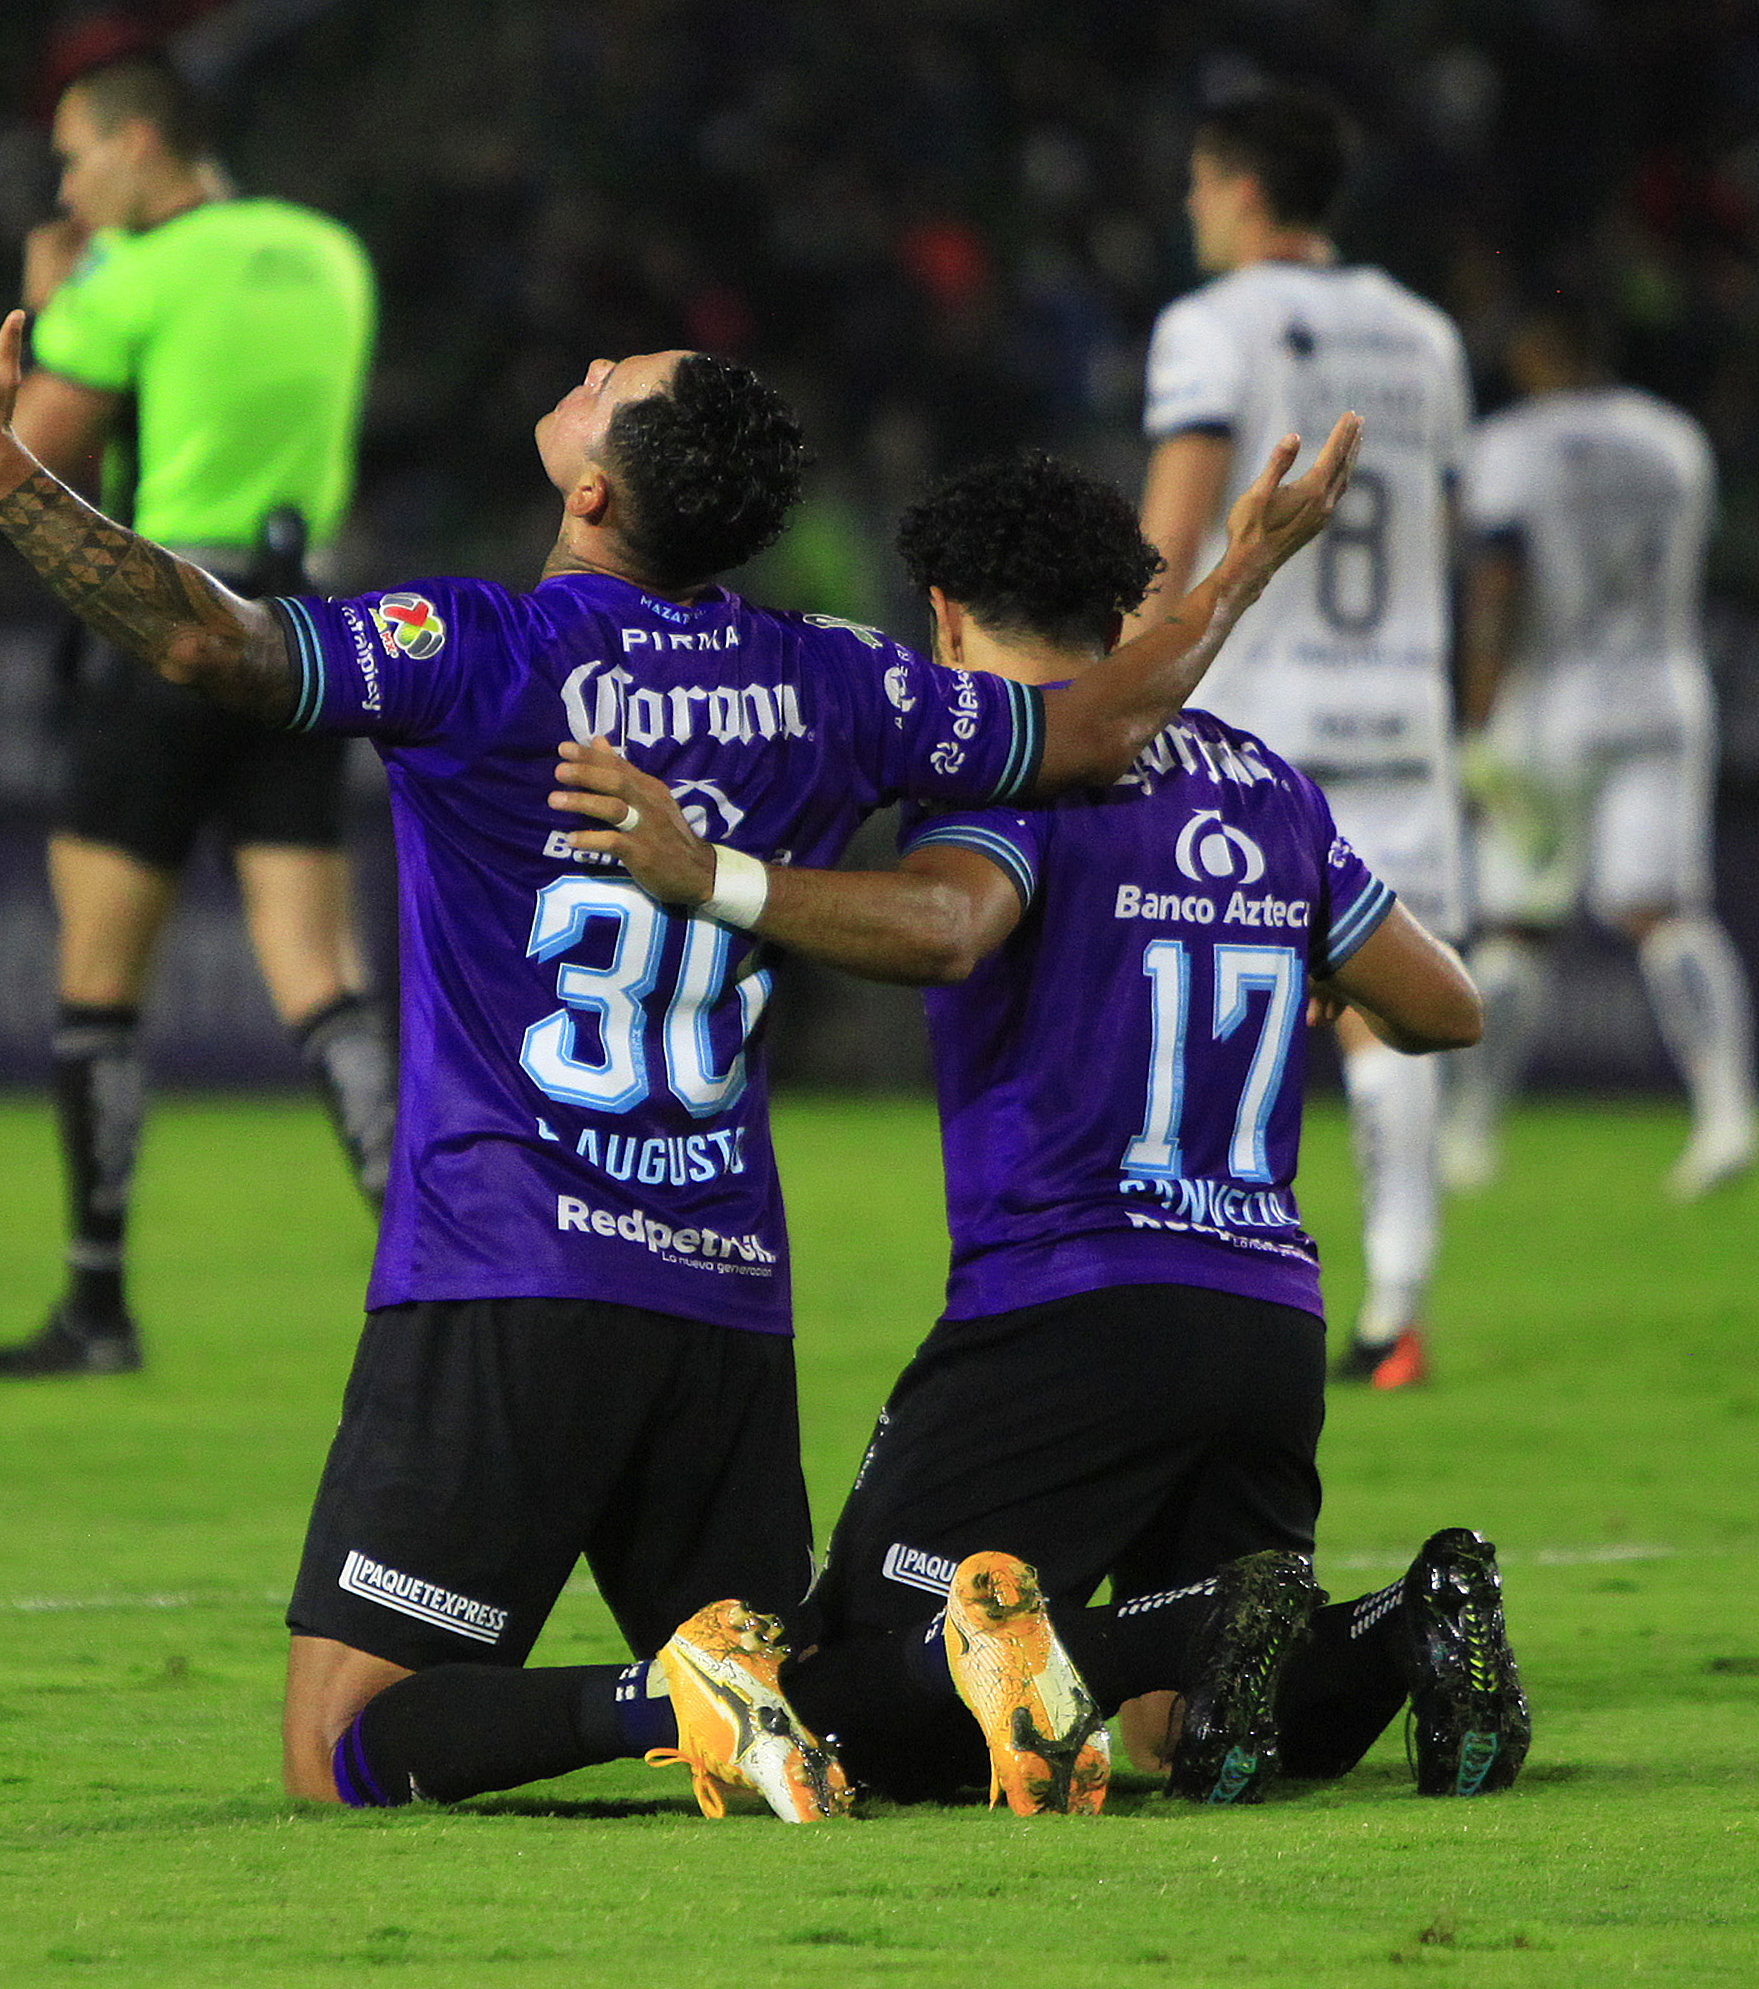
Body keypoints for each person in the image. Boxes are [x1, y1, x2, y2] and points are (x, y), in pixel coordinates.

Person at [0, 269, 1355, 1818]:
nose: (586, 357)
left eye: (611, 370)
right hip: (723, 1298)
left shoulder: (475, 649)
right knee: (810, 1691)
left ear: (591, 484)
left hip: (511, 1265)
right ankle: (1117, 1639)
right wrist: (1233, 574)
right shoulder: (841, 679)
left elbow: (209, 645)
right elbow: (1096, 727)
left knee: (339, 1742)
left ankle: (656, 1694)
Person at [557, 449, 1530, 1813]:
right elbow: (1448, 1007)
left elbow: (953, 928)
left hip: (1071, 1306)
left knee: (858, 1675)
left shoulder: (1003, 765)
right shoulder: (1260, 783)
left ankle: (1213, 1629)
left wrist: (709, 873)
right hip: (1265, 1315)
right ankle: (1406, 1622)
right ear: (1126, 604)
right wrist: (1302, 956)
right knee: (1174, 1727)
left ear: (942, 614)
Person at [0, 47, 393, 1381]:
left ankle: (97, 1305)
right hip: (306, 635)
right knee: (321, 977)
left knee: (100, 982)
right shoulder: (333, 256)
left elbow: (32, 467)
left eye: (76, 154)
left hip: (163, 629)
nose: (67, 183)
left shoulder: (127, 276)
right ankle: (448, 1268)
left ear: (141, 144)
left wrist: (54, 307)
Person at [1136, 83, 1474, 1391]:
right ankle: (1394, 1310)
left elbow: (1169, 537)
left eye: (1197, 182)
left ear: (1238, 187)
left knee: (1212, 998)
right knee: (1385, 1017)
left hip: (1255, 722)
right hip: (1400, 715)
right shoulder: (1429, 338)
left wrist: (1111, 685)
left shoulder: (1211, 326)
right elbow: (1439, 533)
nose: (1187, 207)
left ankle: (1206, 1283)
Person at [1440, 312, 1759, 1200]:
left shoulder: (1509, 445)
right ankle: (1727, 1110)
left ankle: (1471, 1131)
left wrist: (1476, 716)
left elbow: (1498, 583)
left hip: (1549, 707)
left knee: (1515, 926)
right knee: (1663, 911)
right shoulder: (1674, 440)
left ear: (1543, 352)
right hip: (1664, 693)